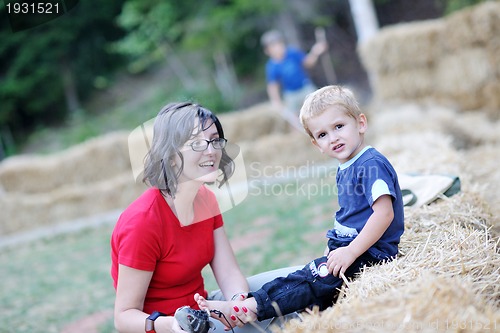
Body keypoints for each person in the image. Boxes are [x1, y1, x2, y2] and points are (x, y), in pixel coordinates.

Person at [195, 85, 405, 329]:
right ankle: (251, 303)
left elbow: (384, 213)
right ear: (316, 144)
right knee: (304, 278)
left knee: (313, 279)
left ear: (360, 123)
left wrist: (351, 251)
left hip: (372, 253)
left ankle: (251, 308)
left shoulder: (371, 164)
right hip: (353, 247)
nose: (333, 137)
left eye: (339, 126)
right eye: (323, 135)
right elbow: (352, 215)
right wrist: (337, 243)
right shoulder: (348, 164)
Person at [110, 102, 250, 333]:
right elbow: (123, 318)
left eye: (215, 140)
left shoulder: (206, 199)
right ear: (171, 154)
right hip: (168, 327)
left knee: (287, 294)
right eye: (196, 143)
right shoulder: (143, 222)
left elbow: (228, 272)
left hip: (204, 313)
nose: (212, 150)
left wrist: (238, 302)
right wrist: (174, 324)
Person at [261, 29, 328, 130]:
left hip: (305, 87)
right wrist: (276, 101)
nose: (278, 48)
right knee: (294, 119)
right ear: (267, 51)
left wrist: (315, 51)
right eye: (273, 47)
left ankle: (323, 128)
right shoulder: (271, 67)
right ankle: (300, 137)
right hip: (290, 94)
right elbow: (273, 86)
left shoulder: (292, 53)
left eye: (279, 44)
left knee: (317, 108)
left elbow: (309, 62)